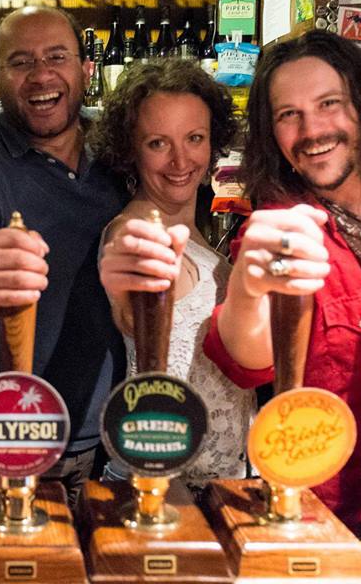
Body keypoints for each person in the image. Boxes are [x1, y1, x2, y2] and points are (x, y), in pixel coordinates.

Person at [200, 30, 361, 531]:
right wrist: (248, 292)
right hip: (358, 520)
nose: (313, 129)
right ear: (270, 133)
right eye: (287, 115)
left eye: (329, 103)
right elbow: (247, 358)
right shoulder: (279, 230)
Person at [0, 6, 130, 506]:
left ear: (85, 67)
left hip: (127, 427)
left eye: (57, 56)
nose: (42, 75)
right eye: (20, 62)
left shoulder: (117, 144)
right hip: (26, 439)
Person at [93, 60, 254, 489]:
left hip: (217, 483)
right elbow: (132, 306)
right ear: (130, 149)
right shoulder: (137, 229)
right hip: (163, 482)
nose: (181, 160)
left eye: (195, 138)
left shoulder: (192, 229)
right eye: (158, 143)